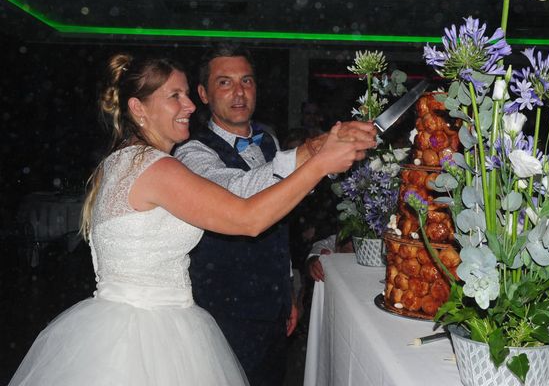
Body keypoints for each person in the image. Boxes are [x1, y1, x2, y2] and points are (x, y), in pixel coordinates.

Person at [9, 54, 376, 386]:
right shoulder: (156, 167)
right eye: (174, 97)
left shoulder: (119, 161)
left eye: (186, 94)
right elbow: (246, 216)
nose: (188, 105)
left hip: (129, 323)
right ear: (138, 108)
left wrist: (323, 144)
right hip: (150, 334)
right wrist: (321, 164)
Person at [174, 44, 373, 385]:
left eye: (247, 81)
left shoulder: (268, 140)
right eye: (225, 82)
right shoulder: (191, 152)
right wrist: (315, 150)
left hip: (271, 307)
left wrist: (287, 293)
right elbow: (236, 192)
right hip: (222, 310)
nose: (239, 91)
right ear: (204, 94)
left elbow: (279, 217)